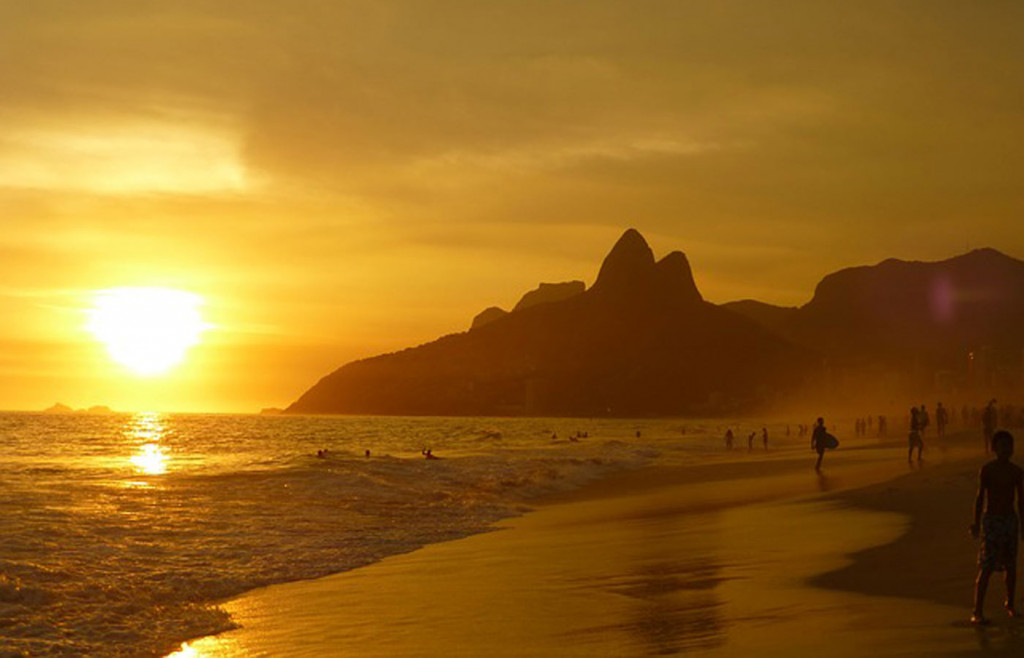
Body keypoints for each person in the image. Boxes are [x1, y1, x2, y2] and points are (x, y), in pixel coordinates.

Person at [970, 430, 1024, 624]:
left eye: (1009, 446)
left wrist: (1023, 526)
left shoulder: (1017, 472)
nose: (1006, 450)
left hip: (1010, 520)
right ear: (995, 449)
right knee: (987, 566)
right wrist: (976, 523)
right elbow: (980, 498)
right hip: (992, 521)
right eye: (1002, 446)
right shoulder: (987, 470)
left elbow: (1021, 501)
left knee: (1011, 565)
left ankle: (1010, 603)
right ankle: (977, 610)